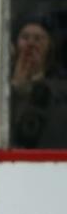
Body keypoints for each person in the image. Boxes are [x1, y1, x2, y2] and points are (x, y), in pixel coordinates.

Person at [9, 17, 67, 148]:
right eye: (25, 37)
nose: (31, 44)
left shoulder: (61, 86)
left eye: (38, 39)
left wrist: (37, 84)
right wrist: (15, 88)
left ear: (49, 47)